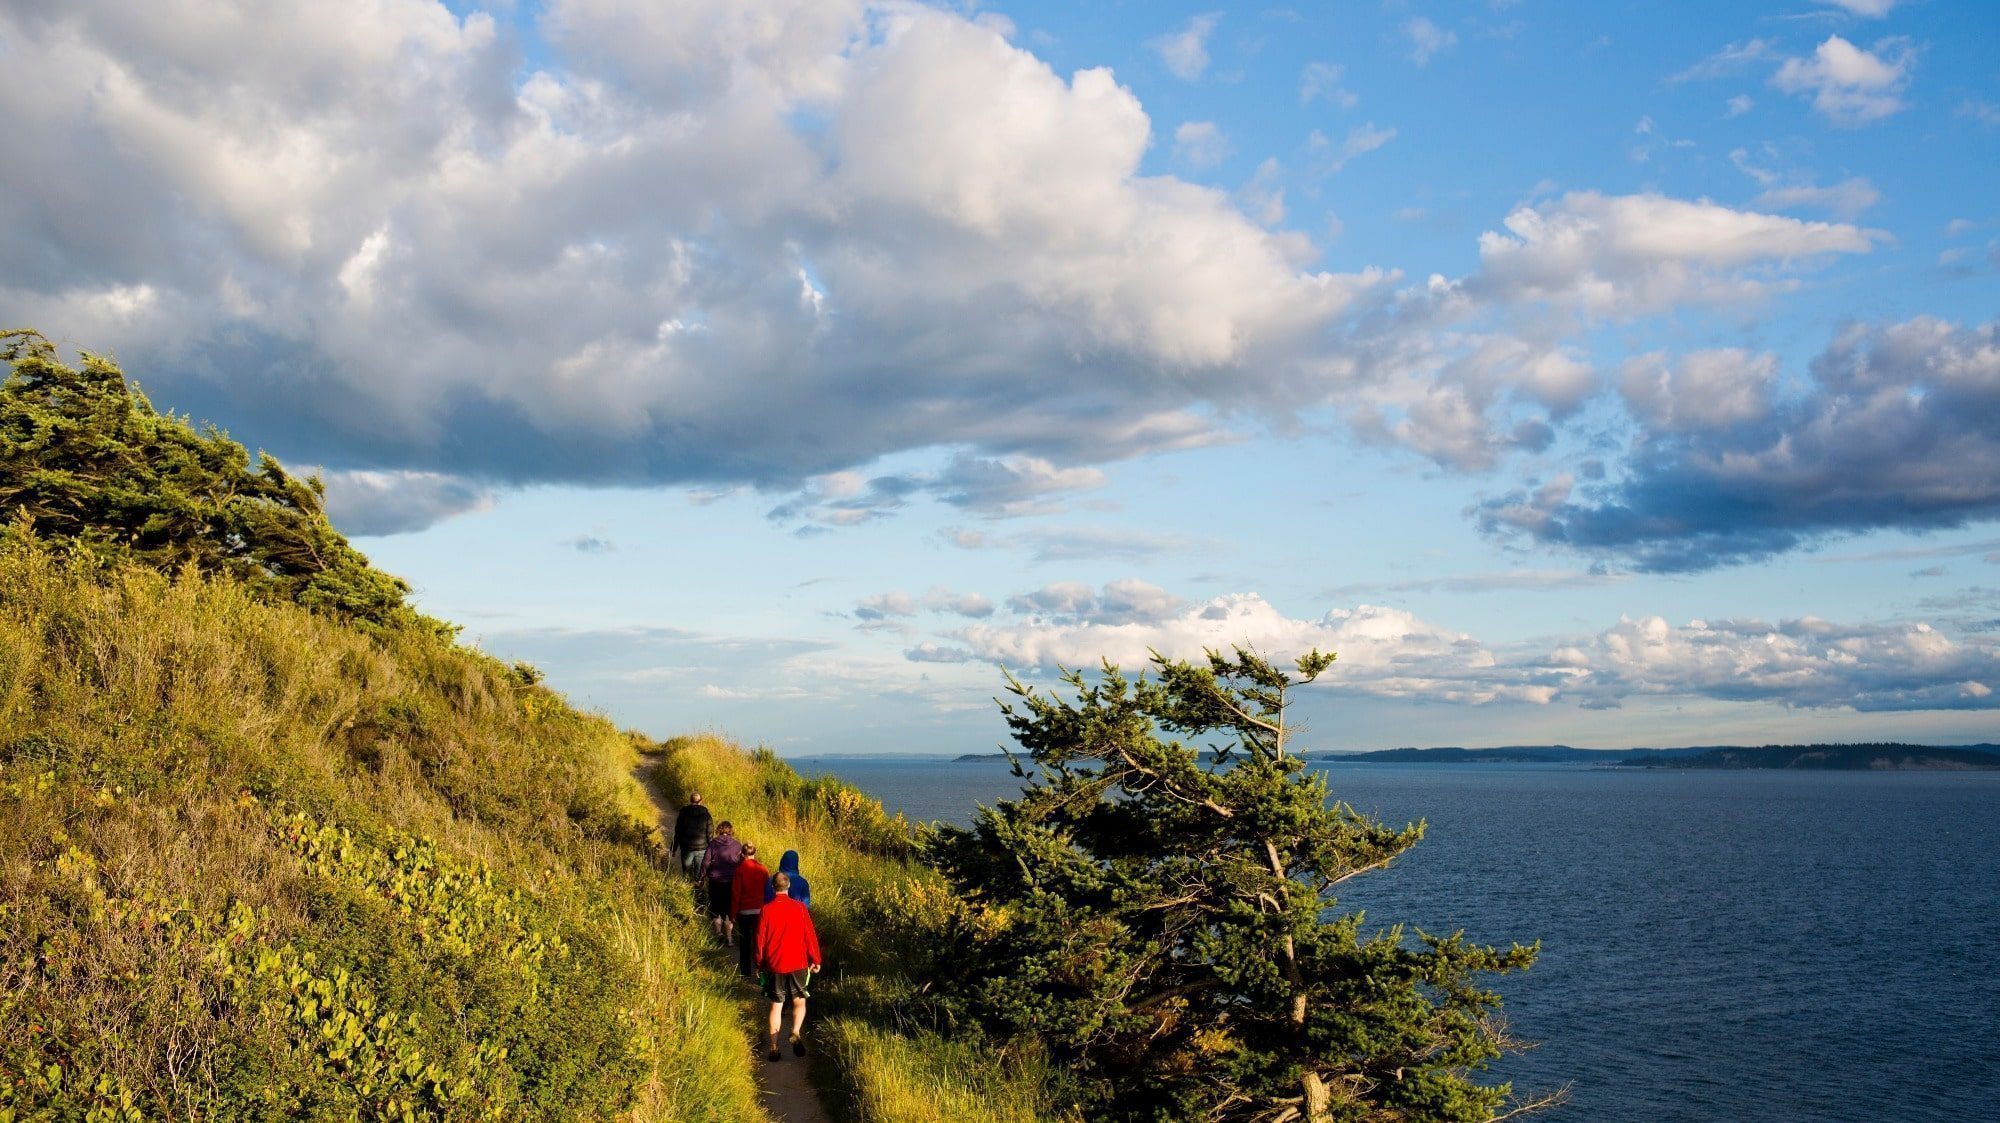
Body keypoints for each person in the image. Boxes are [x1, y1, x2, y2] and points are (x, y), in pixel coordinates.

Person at [756, 870, 822, 1062]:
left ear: (772, 887)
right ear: (789, 887)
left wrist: (760, 964)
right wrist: (816, 959)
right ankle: (795, 1031)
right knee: (799, 1001)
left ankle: (774, 1048)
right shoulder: (800, 908)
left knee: (776, 1005)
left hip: (775, 963)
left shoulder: (766, 910)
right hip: (798, 962)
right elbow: (810, 936)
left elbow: (760, 940)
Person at [730, 843, 771, 980]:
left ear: (742, 854)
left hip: (744, 911)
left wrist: (733, 913)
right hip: (760, 910)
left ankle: (745, 973)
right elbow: (768, 891)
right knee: (759, 942)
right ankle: (761, 972)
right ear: (755, 853)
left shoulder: (740, 870)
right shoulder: (763, 869)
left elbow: (736, 893)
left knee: (745, 942)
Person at [700, 822, 744, 943]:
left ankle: (719, 933)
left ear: (719, 830)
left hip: (715, 880)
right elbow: (741, 864)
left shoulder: (713, 844)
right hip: (731, 882)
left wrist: (702, 876)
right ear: (730, 831)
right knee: (729, 910)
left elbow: (705, 862)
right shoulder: (737, 845)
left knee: (716, 907)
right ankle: (729, 938)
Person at [672, 794, 712, 880]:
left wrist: (674, 848)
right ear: (701, 801)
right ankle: (697, 890)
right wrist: (711, 849)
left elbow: (678, 832)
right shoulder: (706, 815)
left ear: (690, 800)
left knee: (686, 871)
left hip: (686, 848)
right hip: (702, 848)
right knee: (698, 873)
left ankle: (686, 887)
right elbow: (710, 834)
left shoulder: (683, 813)